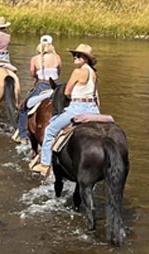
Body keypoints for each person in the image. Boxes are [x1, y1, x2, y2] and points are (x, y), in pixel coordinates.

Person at [33, 44, 100, 175]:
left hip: (78, 108)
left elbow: (67, 92)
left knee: (50, 130)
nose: (75, 57)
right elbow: (96, 95)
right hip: (93, 109)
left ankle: (45, 164)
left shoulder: (78, 72)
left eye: (78, 55)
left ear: (86, 58)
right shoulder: (94, 74)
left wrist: (72, 96)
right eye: (74, 55)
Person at [26, 35, 62, 109]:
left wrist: (36, 78)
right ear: (51, 45)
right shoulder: (57, 57)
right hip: (56, 85)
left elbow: (32, 74)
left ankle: (20, 120)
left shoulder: (34, 59)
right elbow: (59, 72)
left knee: (25, 106)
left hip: (42, 85)